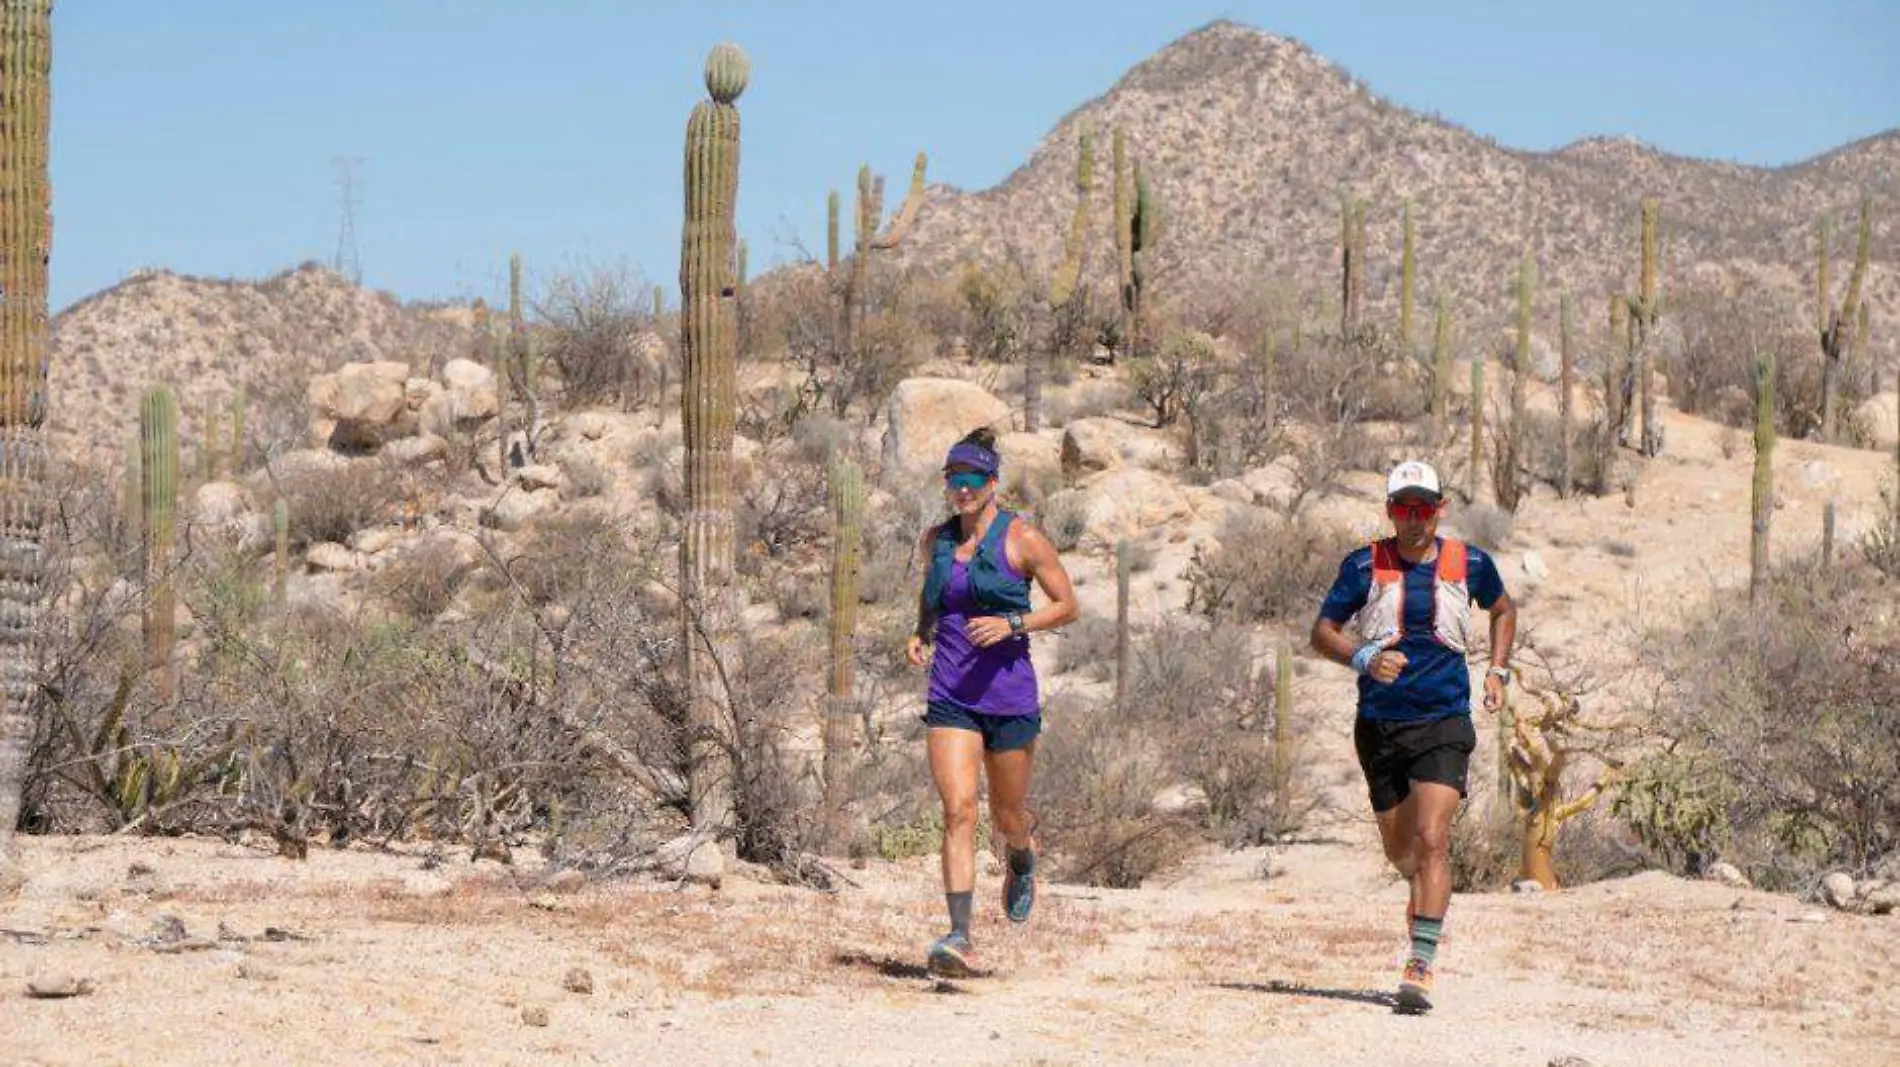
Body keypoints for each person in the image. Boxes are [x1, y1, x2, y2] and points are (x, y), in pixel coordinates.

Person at [1309, 459, 1516, 1013]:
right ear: (1390, 512)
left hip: (1444, 720)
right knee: (1403, 854)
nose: (1414, 519)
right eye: (1404, 509)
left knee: (1432, 838)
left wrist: (1497, 671)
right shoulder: (1363, 566)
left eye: (1424, 509)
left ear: (1439, 510)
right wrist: (1363, 656)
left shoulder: (1469, 563)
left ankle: (1419, 965)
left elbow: (1502, 609)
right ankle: (1422, 900)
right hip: (1379, 725)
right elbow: (1321, 632)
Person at [905, 427, 1079, 978]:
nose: (962, 489)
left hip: (1008, 696)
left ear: (992, 484)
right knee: (958, 810)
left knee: (1007, 814)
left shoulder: (1023, 540)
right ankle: (958, 934)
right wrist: (921, 631)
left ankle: (1022, 854)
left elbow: (1067, 605)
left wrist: (1013, 624)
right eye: (954, 480)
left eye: (972, 480)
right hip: (951, 692)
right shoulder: (935, 540)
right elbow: (933, 594)